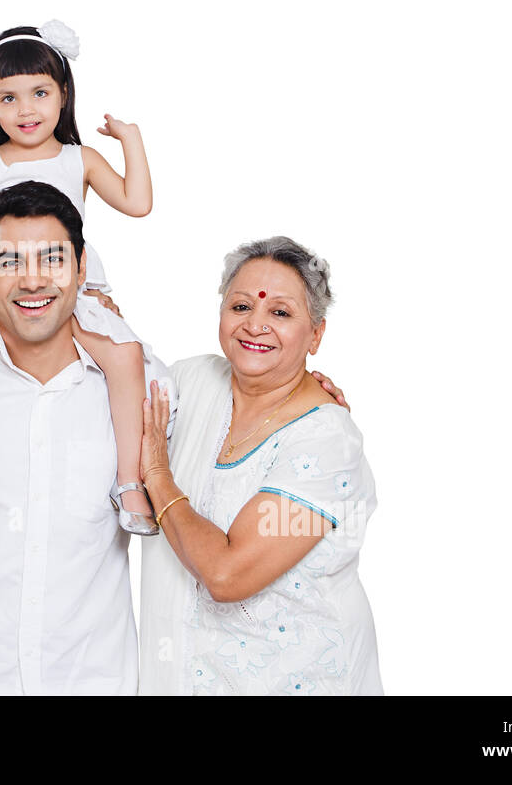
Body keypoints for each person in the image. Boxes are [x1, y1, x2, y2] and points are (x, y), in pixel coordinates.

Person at [0, 181, 174, 694]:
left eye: (52, 258)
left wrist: (300, 385)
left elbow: (228, 420)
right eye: (9, 261)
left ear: (82, 266)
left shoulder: (142, 385)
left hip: (94, 677)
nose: (32, 280)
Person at [0, 19, 158, 544]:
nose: (26, 111)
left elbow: (137, 203)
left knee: (123, 355)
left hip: (67, 285)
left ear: (63, 95)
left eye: (40, 93)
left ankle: (129, 481)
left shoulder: (79, 159)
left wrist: (131, 142)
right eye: (8, 98)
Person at [138, 237, 382, 695]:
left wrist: (157, 474)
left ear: (316, 334)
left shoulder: (325, 440)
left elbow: (228, 575)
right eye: (241, 306)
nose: (255, 325)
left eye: (281, 313)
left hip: (299, 680)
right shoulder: (192, 382)